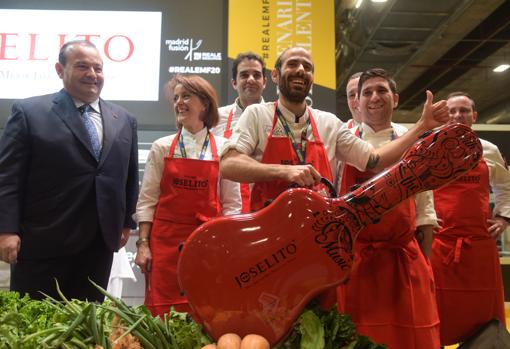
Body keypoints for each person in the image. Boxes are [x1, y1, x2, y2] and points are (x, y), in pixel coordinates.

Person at [220, 47, 449, 215]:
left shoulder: (328, 122)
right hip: (267, 238)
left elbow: (374, 160)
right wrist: (284, 172)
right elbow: (229, 165)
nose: (300, 70)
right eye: (292, 64)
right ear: (276, 75)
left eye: (307, 67)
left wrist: (421, 126)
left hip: (319, 238)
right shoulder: (257, 115)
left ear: (311, 79)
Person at [0, 40, 139, 302]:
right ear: (59, 69)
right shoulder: (29, 112)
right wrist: (6, 229)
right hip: (43, 241)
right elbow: (8, 178)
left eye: (98, 68)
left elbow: (129, 177)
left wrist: (125, 223)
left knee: (87, 325)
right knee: (37, 329)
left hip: (98, 244)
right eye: (82, 66)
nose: (92, 74)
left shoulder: (124, 119)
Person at [336, 68, 440, 349]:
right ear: (356, 102)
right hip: (356, 260)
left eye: (381, 90)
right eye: (366, 92)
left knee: (411, 335)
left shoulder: (415, 140)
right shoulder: (343, 141)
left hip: (403, 257)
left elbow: (424, 207)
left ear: (395, 98)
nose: (374, 97)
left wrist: (426, 262)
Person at [134, 74, 241, 317]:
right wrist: (143, 245)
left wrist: (227, 245)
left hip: (207, 244)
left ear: (205, 103)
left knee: (205, 310)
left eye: (186, 96)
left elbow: (233, 206)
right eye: (176, 98)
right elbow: (147, 201)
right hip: (165, 244)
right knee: (163, 313)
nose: (178, 102)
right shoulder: (162, 147)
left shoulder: (225, 148)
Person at [431, 92, 510, 346]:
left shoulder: (489, 149)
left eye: (463, 110)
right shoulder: (430, 148)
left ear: (474, 116)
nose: (457, 115)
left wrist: (503, 217)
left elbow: (505, 186)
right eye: (452, 111)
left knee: (483, 316)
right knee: (437, 312)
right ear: (444, 116)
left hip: (479, 248)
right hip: (440, 246)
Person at [213, 52, 267, 212]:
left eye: (256, 75)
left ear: (265, 82)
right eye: (244, 75)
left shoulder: (276, 117)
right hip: (226, 206)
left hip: (266, 203)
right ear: (234, 83)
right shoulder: (216, 118)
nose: (250, 79)